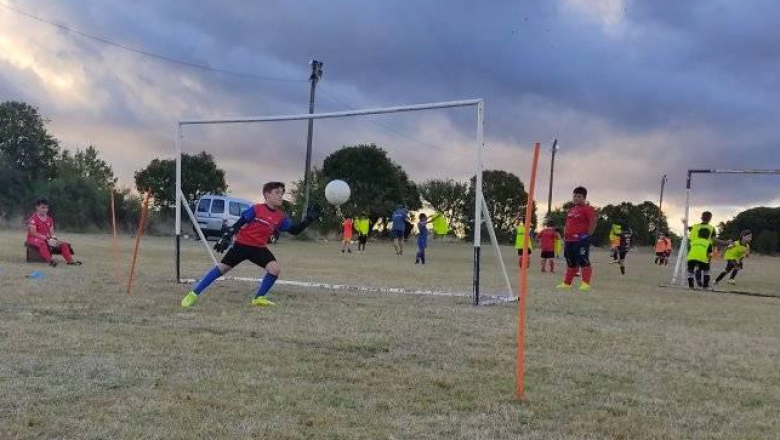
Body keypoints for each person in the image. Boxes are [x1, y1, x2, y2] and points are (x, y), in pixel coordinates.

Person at [181, 182, 321, 308]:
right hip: (242, 245)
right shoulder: (257, 209)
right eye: (277, 193)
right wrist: (226, 236)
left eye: (282, 193)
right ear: (267, 194)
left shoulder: (280, 216)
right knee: (221, 269)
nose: (280, 196)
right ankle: (193, 294)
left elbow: (294, 230)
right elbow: (240, 223)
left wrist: (308, 220)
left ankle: (259, 298)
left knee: (275, 269)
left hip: (258, 248)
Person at [557, 187, 597, 291]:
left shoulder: (587, 209)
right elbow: (568, 224)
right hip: (569, 240)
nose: (576, 198)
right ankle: (567, 283)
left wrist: (588, 235)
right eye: (574, 196)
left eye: (579, 196)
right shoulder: (572, 209)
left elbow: (593, 221)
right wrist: (565, 234)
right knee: (571, 262)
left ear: (584, 198)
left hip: (581, 240)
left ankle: (585, 284)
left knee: (583, 260)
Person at [26, 198, 81, 267]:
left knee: (63, 244)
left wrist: (53, 238)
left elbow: (51, 232)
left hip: (45, 238)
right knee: (42, 243)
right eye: (42, 207)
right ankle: (50, 261)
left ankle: (70, 261)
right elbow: (33, 232)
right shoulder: (33, 218)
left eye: (47, 207)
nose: (45, 210)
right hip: (33, 238)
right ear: (37, 207)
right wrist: (45, 238)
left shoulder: (49, 219)